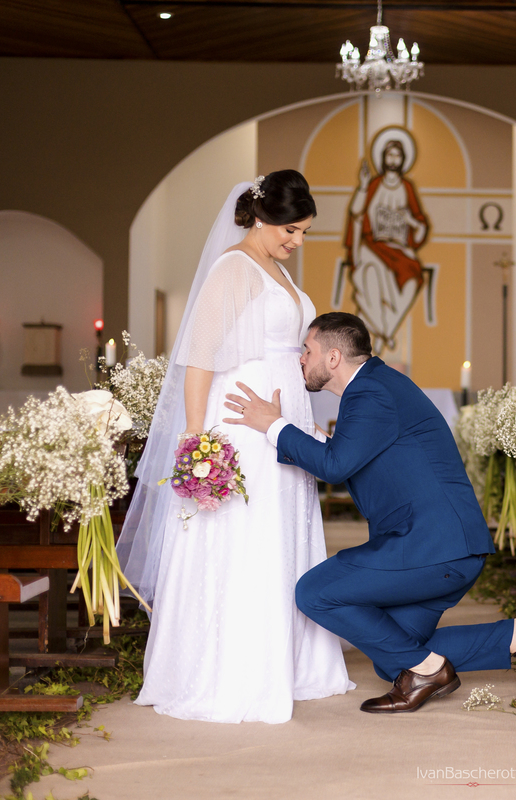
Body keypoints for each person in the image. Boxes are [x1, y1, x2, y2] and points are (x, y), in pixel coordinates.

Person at [223, 312, 516, 714]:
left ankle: (431, 671)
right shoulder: (375, 387)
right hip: (442, 547)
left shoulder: (370, 393)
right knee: (394, 658)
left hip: (434, 548)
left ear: (332, 357)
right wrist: (293, 430)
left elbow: (334, 466)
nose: (300, 359)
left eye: (306, 350)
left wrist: (274, 426)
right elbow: (347, 454)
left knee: (314, 592)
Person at [117, 172, 354, 724]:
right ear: (262, 217)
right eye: (291, 230)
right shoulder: (232, 269)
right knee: (247, 535)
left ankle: (286, 663)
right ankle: (237, 671)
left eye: (304, 231)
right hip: (243, 427)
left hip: (281, 423)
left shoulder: (278, 273)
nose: (297, 241)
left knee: (282, 534)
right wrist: (196, 439)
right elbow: (199, 358)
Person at [344, 129, 430, 354]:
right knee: (372, 272)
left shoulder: (407, 188)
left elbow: (420, 228)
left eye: (397, 156)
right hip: (373, 246)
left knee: (412, 282)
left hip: (399, 250)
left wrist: (410, 221)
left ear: (403, 160)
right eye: (390, 155)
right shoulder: (374, 184)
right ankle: (386, 334)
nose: (393, 160)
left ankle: (383, 331)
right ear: (383, 158)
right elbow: (356, 211)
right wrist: (363, 186)